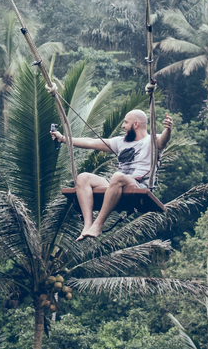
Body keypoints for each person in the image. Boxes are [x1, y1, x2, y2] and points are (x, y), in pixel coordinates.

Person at [50, 83, 173, 240]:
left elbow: (163, 140)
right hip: (116, 183)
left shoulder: (152, 141)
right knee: (83, 177)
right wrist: (63, 139)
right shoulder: (120, 142)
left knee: (117, 176)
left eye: (125, 123)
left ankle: (98, 225)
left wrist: (168, 129)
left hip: (139, 185)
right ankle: (88, 225)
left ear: (136, 124)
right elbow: (90, 142)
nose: (122, 126)